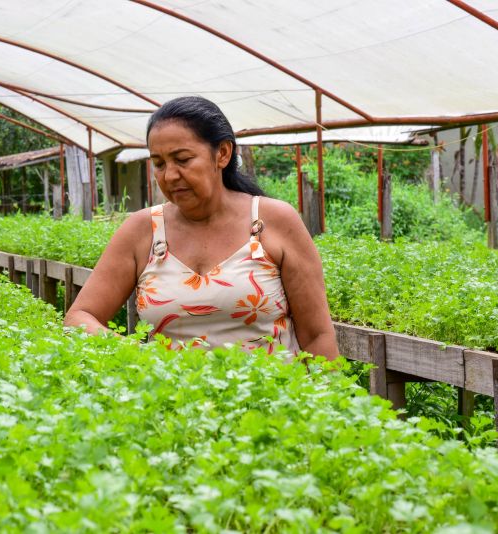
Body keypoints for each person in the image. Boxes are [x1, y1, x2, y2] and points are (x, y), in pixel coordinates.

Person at [64, 96, 338, 360]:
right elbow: (79, 318)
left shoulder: (273, 221)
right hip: (173, 402)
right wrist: (138, 356)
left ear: (222, 153)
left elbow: (317, 336)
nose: (170, 175)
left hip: (271, 402)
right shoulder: (142, 231)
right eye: (159, 164)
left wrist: (329, 401)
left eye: (182, 159)